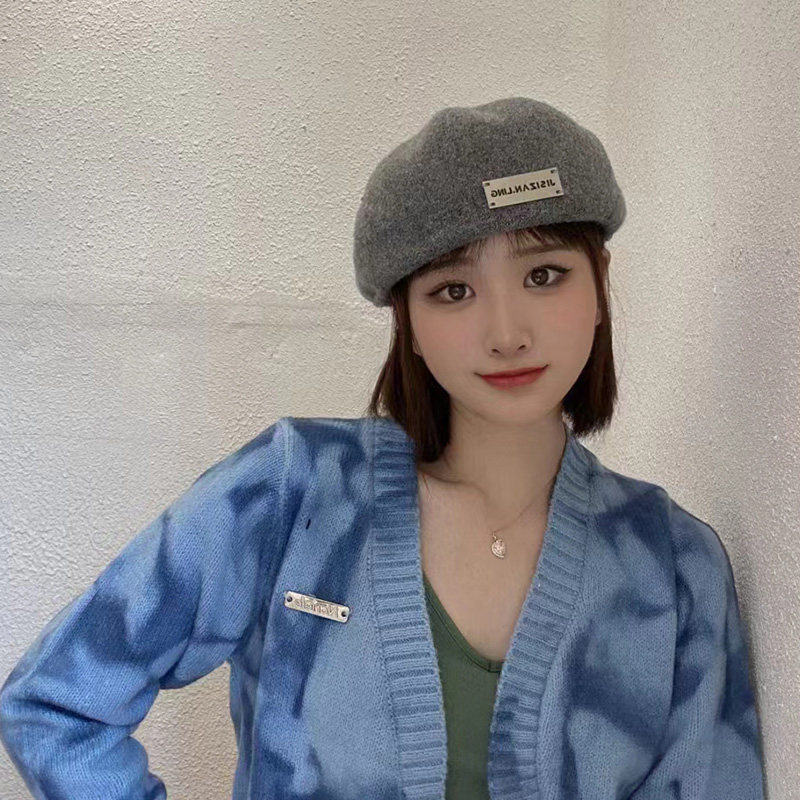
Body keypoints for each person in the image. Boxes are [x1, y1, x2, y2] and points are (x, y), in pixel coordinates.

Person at [0, 97, 764, 799]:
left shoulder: (675, 567)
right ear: (409, 325)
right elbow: (54, 707)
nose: (507, 333)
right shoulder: (291, 495)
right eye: (453, 291)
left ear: (599, 287)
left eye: (545, 274)